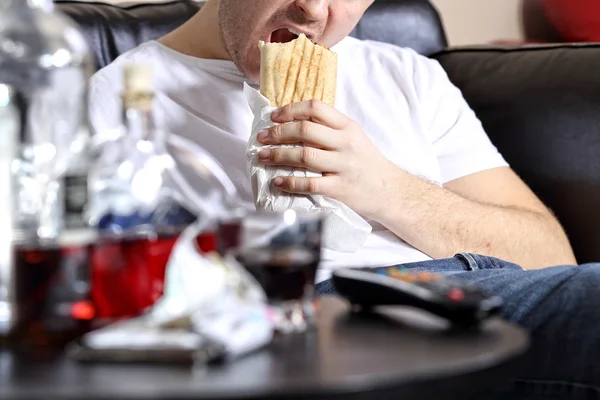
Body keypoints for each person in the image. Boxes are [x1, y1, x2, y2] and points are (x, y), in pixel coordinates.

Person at [89, 0, 599, 398]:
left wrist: (385, 189)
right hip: (316, 315)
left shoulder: (409, 77)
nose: (314, 11)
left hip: (472, 291)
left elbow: (551, 255)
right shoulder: (122, 98)